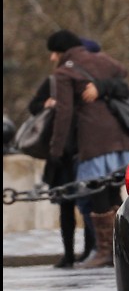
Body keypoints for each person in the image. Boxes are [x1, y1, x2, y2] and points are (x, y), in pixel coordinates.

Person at [44, 29, 129, 269]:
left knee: (96, 193)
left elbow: (64, 114)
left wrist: (56, 149)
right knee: (114, 192)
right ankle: (119, 250)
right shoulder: (103, 59)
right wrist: (103, 86)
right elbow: (122, 72)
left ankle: (105, 252)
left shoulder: (64, 73)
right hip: (118, 136)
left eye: (54, 52)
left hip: (93, 139)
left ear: (61, 50)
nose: (53, 58)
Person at [27, 75, 91, 268]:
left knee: (89, 205)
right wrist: (48, 104)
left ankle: (90, 251)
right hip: (61, 156)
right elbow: (34, 106)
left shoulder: (88, 83)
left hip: (84, 151)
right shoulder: (53, 82)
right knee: (65, 206)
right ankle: (69, 253)